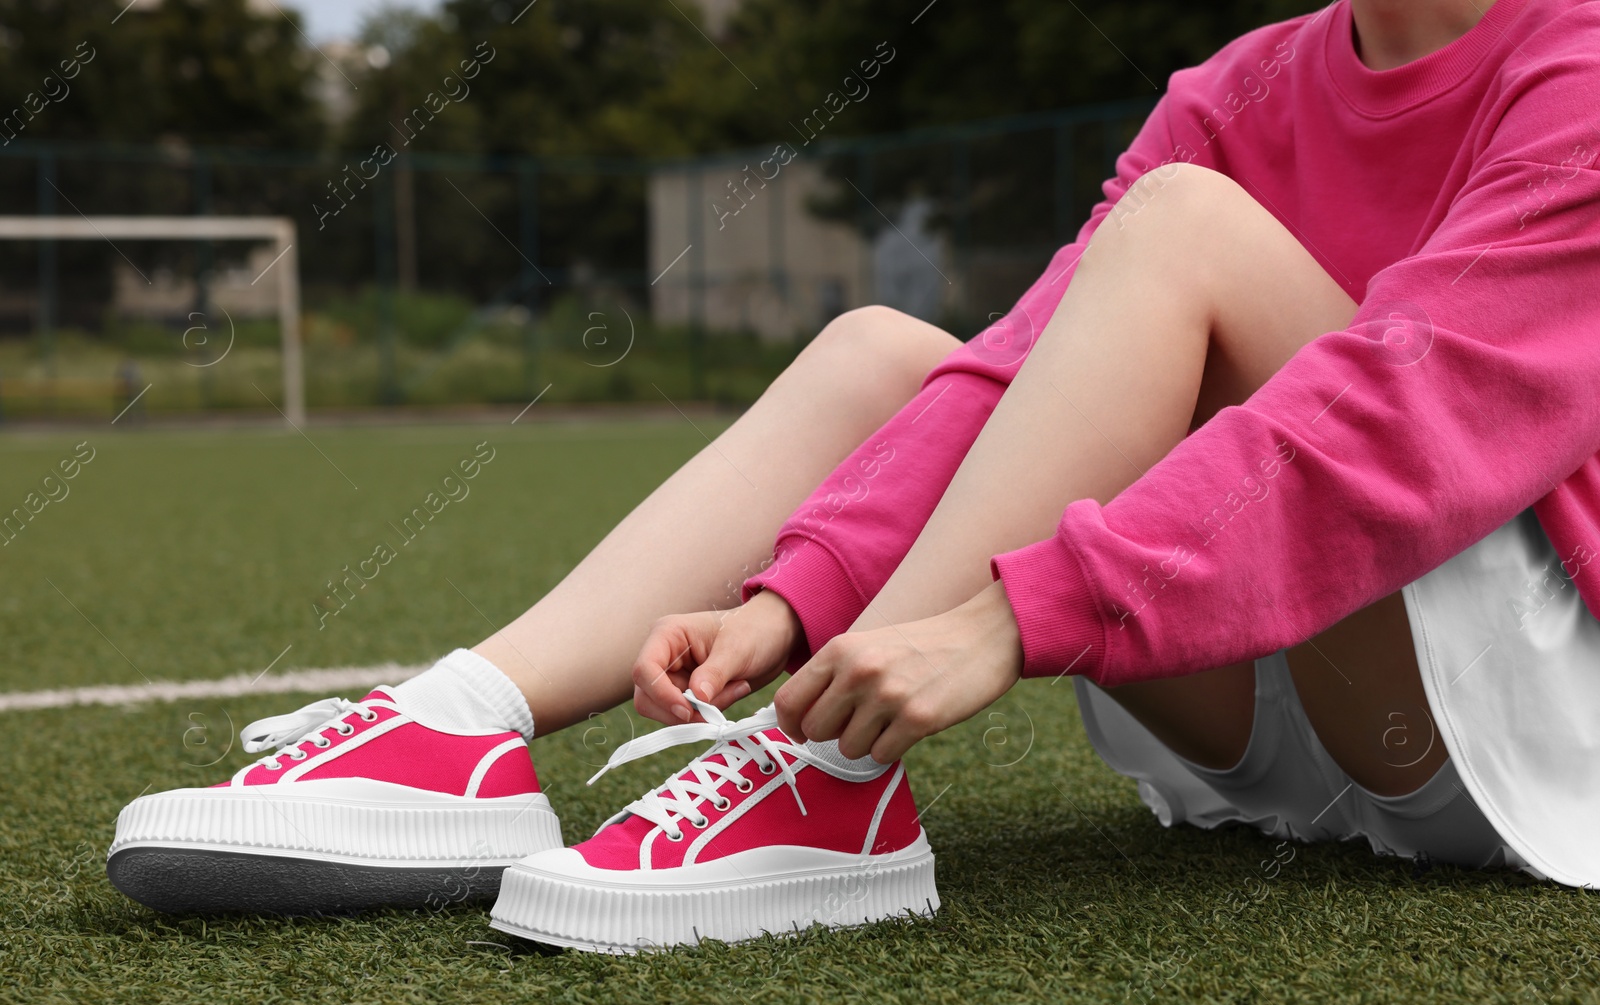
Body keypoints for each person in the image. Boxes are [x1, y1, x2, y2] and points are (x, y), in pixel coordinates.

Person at [107, 0, 1600, 951]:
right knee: (891, 347)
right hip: (1263, 720)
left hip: (1496, 722)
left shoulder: (1578, 61)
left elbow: (1411, 414)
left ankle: (829, 778)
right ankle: (468, 724)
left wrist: (1009, 620)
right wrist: (801, 593)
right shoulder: (1235, 85)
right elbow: (1022, 365)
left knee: (1180, 234)